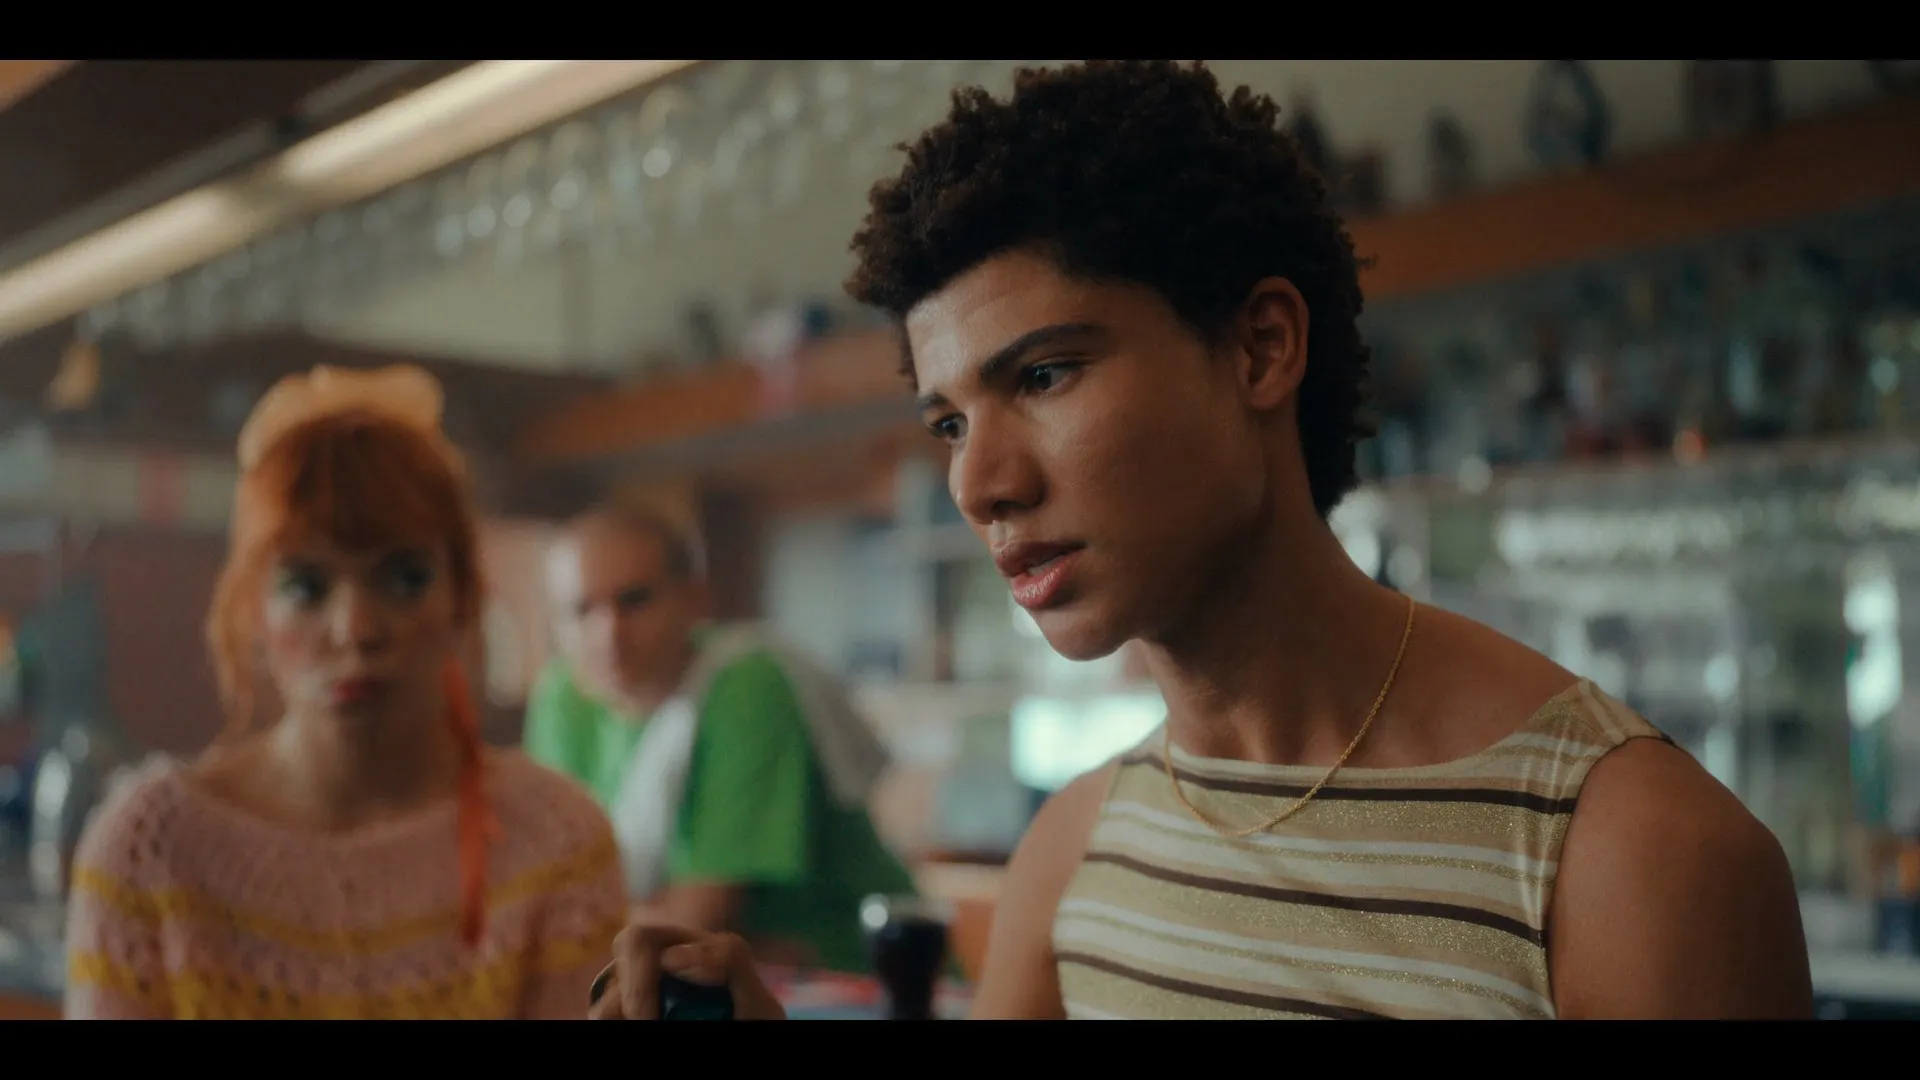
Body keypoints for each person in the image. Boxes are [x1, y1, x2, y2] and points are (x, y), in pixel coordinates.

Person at [589, 59, 1814, 1021]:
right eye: (950, 422)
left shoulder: (1633, 859)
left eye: (1047, 374)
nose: (980, 483)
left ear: (1260, 349)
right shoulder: (1071, 854)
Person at [63, 365, 627, 1020]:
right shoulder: (149, 853)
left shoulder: (555, 845)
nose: (356, 629)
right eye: (307, 586)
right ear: (253, 609)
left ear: (463, 596)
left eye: (404, 578)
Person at [524, 499, 916, 974]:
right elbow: (549, 893)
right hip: (697, 977)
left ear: (695, 600)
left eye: (635, 601)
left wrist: (566, 932)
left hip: (857, 978)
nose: (608, 634)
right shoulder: (562, 696)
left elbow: (692, 923)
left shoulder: (747, 688)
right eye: (580, 610)